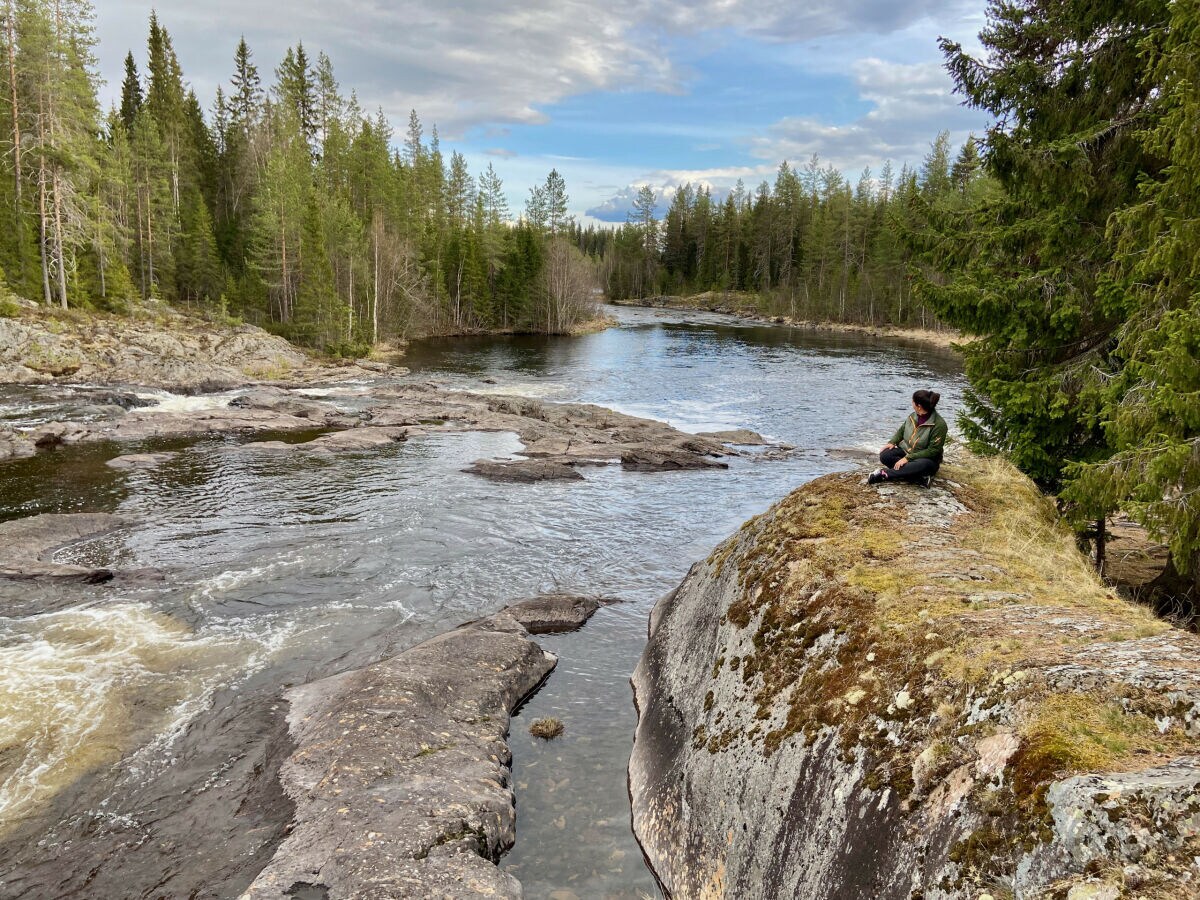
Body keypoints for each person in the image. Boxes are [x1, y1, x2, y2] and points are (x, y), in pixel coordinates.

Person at [867, 389, 948, 487]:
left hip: (926, 460)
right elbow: (902, 430)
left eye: (913, 401)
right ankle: (918, 477)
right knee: (885, 455)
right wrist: (892, 442)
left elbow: (933, 451)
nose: (911, 402)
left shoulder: (939, 425)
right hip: (906, 452)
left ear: (919, 406)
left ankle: (885, 474)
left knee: (921, 465)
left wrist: (908, 458)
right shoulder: (913, 416)